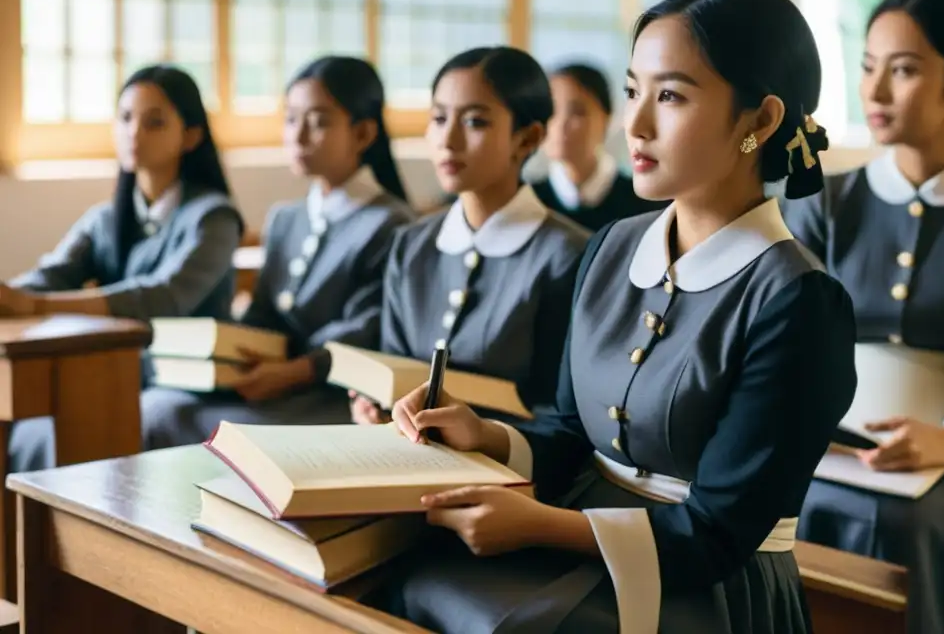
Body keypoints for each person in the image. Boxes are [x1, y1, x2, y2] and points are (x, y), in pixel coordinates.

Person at [369, 0, 858, 633]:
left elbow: (715, 534)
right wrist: (484, 434)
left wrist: (542, 524)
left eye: (671, 96)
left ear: (761, 120)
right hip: (577, 532)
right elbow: (572, 431)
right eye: (633, 91)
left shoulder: (799, 302)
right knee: (404, 578)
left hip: (699, 587)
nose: (636, 124)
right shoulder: (611, 248)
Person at [783, 0, 944, 634]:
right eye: (868, 67)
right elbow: (784, 330)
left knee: (922, 519)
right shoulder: (821, 200)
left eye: (905, 70)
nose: (877, 91)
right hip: (817, 436)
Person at [142, 56, 416, 448]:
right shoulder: (286, 218)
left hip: (335, 398)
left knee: (163, 415)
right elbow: (263, 315)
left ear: (363, 133)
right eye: (291, 119)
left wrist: (294, 372)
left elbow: (368, 330)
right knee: (154, 403)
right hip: (271, 383)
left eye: (318, 122)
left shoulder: (392, 223)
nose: (298, 136)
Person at [2, 64, 243, 471]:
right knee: (26, 419)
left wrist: (35, 306)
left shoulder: (213, 218)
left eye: (154, 122)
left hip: (185, 378)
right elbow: (50, 276)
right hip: (105, 371)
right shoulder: (105, 218)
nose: (134, 133)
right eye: (126, 118)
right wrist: (13, 296)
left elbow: (162, 296)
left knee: (76, 426)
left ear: (191, 136)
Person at [348, 46, 590, 426]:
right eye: (439, 118)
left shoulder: (569, 254)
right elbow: (393, 369)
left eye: (475, 122)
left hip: (508, 470)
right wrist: (378, 407)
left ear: (527, 139)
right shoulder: (411, 244)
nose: (449, 139)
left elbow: (557, 410)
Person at [532, 63, 665, 230]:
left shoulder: (646, 204)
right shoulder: (527, 203)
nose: (560, 124)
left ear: (606, 118)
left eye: (577, 111)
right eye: (552, 111)